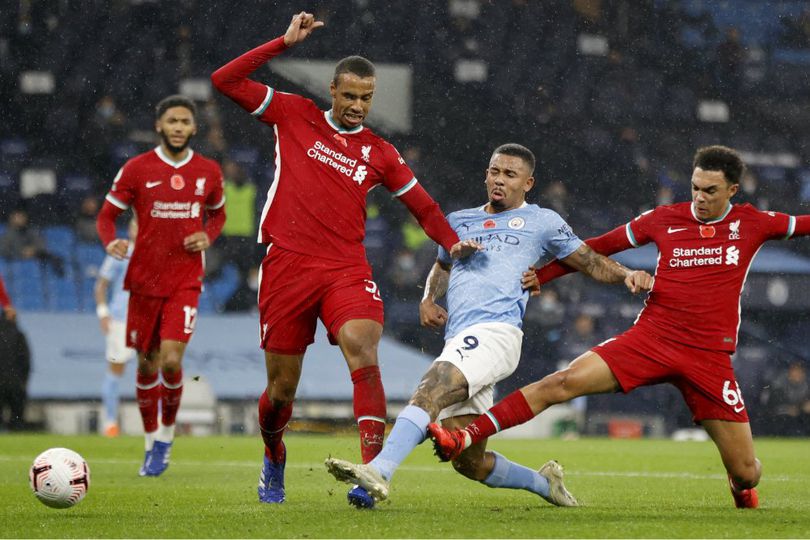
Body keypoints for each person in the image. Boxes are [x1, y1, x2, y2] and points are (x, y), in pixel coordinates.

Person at [428, 145, 810, 509]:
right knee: (560, 383)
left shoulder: (754, 222)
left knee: (747, 473)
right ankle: (464, 437)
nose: (700, 197)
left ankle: (739, 485)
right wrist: (541, 275)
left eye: (710, 191)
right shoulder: (664, 219)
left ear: (732, 190)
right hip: (652, 340)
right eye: (695, 188)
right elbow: (596, 247)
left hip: (708, 356)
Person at [211, 11, 477, 506]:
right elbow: (224, 80)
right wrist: (282, 43)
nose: (358, 106)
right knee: (281, 391)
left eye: (367, 98)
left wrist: (451, 241)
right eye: (350, 96)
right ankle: (273, 454)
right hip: (287, 264)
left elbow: (422, 205)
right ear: (332, 91)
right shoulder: (291, 112)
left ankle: (372, 473)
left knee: (362, 344)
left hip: (344, 267)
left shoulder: (380, 152)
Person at [324, 144, 652, 506]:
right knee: (469, 460)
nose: (499, 180)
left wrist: (626, 274)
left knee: (432, 387)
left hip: (497, 332)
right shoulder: (459, 220)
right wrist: (428, 298)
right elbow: (443, 265)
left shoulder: (542, 221)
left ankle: (379, 470)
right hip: (459, 337)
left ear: (528, 183)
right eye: (494, 172)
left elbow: (588, 260)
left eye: (510, 175)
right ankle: (545, 485)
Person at [96, 95, 226, 477]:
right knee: (146, 363)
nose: (179, 127)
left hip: (185, 279)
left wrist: (207, 234)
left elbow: (217, 214)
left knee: (171, 361)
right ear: (159, 125)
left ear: (194, 127)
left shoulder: (208, 171)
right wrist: (110, 241)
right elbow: (107, 216)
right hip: (143, 281)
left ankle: (166, 439)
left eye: (185, 121)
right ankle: (150, 441)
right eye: (172, 120)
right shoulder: (137, 169)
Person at [94, 219, 137, 437]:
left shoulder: (158, 251)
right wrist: (103, 312)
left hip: (147, 318)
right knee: (116, 369)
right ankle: (110, 422)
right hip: (121, 319)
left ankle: (157, 423)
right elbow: (101, 285)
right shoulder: (121, 250)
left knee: (153, 370)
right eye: (134, 223)